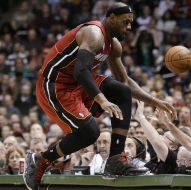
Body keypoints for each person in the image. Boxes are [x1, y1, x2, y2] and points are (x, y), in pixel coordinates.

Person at [23, 2, 177, 190]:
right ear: (111, 18)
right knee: (90, 133)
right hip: (56, 85)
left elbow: (125, 81)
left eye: (131, 23)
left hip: (80, 84)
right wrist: (102, 100)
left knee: (122, 91)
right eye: (125, 22)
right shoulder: (94, 34)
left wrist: (155, 101)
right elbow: (81, 71)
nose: (129, 27)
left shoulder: (114, 45)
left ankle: (114, 160)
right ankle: (41, 159)